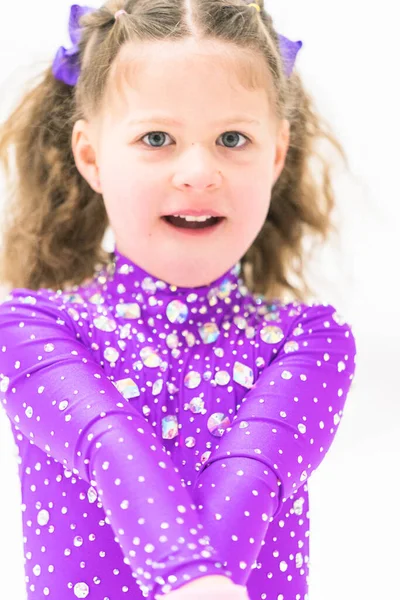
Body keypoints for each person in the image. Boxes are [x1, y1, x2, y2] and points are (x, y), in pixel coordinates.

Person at [0, 1, 357, 599]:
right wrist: (191, 580)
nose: (198, 171)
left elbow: (252, 477)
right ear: (90, 156)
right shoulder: (30, 329)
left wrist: (198, 582)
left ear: (275, 155)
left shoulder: (312, 342)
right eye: (157, 137)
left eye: (232, 138)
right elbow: (109, 447)